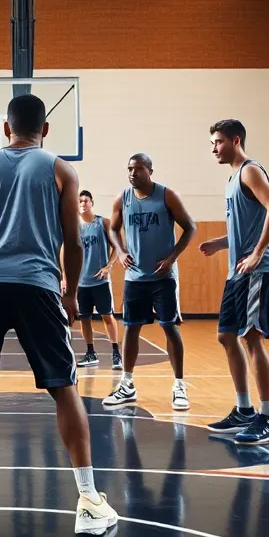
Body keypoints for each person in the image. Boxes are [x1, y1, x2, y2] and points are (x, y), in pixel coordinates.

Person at [0, 93, 118, 536]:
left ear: (6, 128)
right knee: (64, 387)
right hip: (38, 284)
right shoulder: (60, 168)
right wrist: (69, 298)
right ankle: (88, 500)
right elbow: (73, 239)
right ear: (45, 129)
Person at [199, 119, 269, 445]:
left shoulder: (250, 170)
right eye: (212, 143)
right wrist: (220, 243)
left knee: (251, 337)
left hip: (258, 269)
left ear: (235, 140)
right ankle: (244, 409)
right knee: (226, 336)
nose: (214, 148)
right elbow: (246, 226)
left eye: (218, 142)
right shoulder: (232, 179)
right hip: (239, 270)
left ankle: (268, 417)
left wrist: (258, 253)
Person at [101, 154, 196, 412]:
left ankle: (178, 385)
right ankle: (127, 384)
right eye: (129, 168)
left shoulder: (166, 196)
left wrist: (172, 258)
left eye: (138, 169)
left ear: (150, 170)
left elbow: (190, 228)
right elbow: (112, 228)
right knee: (131, 329)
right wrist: (120, 251)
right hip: (135, 279)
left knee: (170, 328)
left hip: (163, 278)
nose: (132, 173)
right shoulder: (123, 198)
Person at [70, 191, 121, 369]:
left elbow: (117, 247)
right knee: (84, 318)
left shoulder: (103, 222)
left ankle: (116, 353)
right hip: (81, 282)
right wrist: (64, 276)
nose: (83, 203)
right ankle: (90, 353)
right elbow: (65, 251)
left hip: (100, 281)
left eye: (86, 200)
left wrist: (109, 266)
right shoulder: (73, 225)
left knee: (107, 316)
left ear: (92, 203)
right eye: (80, 201)